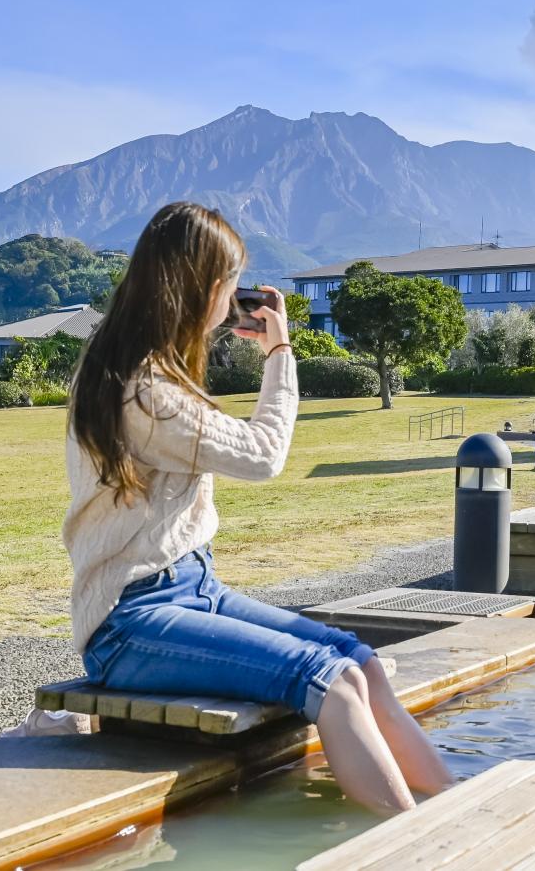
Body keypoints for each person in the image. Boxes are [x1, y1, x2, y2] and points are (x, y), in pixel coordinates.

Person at [64, 202, 451, 815]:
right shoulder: (146, 393)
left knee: (361, 662)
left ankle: (453, 804)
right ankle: (413, 842)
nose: (232, 300)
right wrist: (280, 354)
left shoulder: (141, 368)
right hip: (130, 622)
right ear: (203, 288)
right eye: (228, 284)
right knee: (333, 681)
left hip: (196, 591)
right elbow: (264, 454)